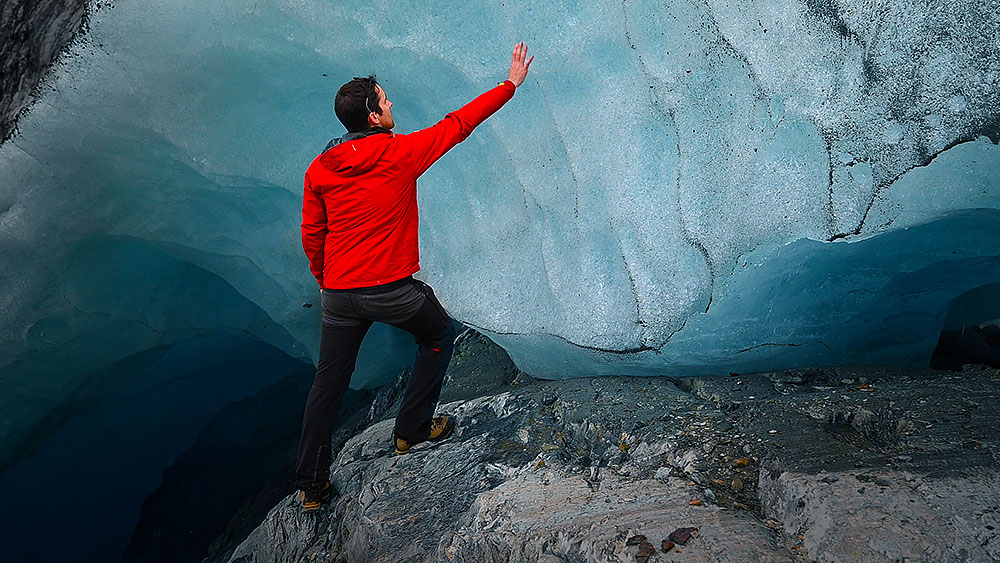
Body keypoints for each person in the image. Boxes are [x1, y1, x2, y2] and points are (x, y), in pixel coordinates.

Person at [295, 43, 533, 512]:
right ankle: (412, 429)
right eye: (385, 101)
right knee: (440, 335)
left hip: (339, 295)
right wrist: (510, 84)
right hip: (391, 291)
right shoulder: (400, 153)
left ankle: (311, 485)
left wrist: (324, 279)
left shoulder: (320, 168)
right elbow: (458, 124)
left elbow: (311, 231)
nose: (391, 105)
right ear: (372, 114)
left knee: (327, 385)